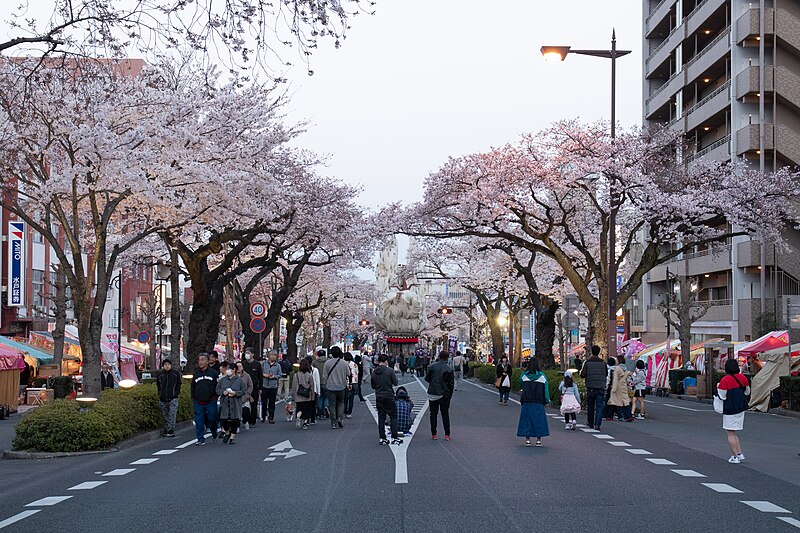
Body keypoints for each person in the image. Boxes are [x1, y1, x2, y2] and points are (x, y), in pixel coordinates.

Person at [717, 358, 750, 464]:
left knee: (730, 432)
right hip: (741, 407)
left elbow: (722, 396)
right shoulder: (743, 378)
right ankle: (739, 453)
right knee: (734, 432)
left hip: (730, 408)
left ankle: (734, 456)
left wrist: (718, 387)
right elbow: (747, 392)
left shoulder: (725, 380)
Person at [517, 357, 550, 447]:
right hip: (538, 401)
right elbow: (546, 390)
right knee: (538, 420)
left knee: (527, 420)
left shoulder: (524, 376)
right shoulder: (542, 376)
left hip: (527, 400)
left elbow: (520, 382)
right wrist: (547, 400)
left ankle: (527, 440)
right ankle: (538, 440)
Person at [371, 354, 402, 445]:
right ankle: (394, 437)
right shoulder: (389, 371)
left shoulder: (374, 372)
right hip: (389, 395)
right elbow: (395, 383)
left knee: (381, 417)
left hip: (379, 396)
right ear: (386, 361)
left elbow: (373, 386)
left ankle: (382, 437)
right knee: (393, 416)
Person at [425, 350, 455, 441]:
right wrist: (450, 394)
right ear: (447, 358)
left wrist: (433, 382)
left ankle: (434, 434)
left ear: (439, 356)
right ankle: (447, 434)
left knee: (433, 414)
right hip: (445, 394)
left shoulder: (432, 367)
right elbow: (451, 384)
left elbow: (427, 378)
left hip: (433, 392)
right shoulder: (449, 369)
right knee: (445, 414)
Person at [191, 353, 219, 445]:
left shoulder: (213, 373)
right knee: (199, 420)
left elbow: (217, 386)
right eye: (199, 360)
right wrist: (193, 397)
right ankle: (200, 438)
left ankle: (214, 431)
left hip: (211, 400)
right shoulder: (196, 374)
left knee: (212, 418)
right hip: (198, 401)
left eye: (203, 360)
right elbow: (193, 387)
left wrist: (216, 396)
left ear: (207, 361)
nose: (200, 362)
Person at [216, 361, 245, 444]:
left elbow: (244, 390)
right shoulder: (223, 380)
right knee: (223, 420)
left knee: (235, 420)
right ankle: (227, 433)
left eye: (229, 369)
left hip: (235, 403)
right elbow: (217, 389)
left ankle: (232, 437)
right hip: (225, 402)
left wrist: (236, 393)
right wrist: (223, 392)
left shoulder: (239, 380)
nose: (228, 370)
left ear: (234, 370)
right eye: (227, 369)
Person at [580, 345, 607, 430]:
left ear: (591, 351)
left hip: (590, 386)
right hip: (601, 386)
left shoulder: (587, 362)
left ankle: (590, 422)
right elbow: (606, 374)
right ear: (599, 352)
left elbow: (583, 374)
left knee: (590, 405)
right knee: (599, 406)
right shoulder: (603, 363)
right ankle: (597, 424)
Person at [323, 346, 350, 429]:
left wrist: (325, 384)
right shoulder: (344, 363)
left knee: (332, 404)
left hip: (330, 386)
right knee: (341, 402)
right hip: (341, 386)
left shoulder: (327, 363)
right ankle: (340, 418)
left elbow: (324, 376)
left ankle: (333, 422)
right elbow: (348, 374)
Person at [156, 359, 181, 437]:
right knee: (165, 415)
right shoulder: (160, 374)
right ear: (163, 366)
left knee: (172, 414)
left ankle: (171, 430)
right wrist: (160, 394)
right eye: (165, 364)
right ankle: (166, 429)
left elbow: (179, 384)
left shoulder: (175, 374)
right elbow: (158, 385)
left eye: (168, 364)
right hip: (162, 398)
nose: (167, 366)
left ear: (171, 365)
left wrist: (176, 393)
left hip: (173, 397)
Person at [607, 357, 634, 422]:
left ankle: (609, 416)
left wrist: (613, 388)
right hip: (623, 385)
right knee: (624, 401)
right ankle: (628, 416)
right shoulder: (625, 368)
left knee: (613, 401)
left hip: (617, 386)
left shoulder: (617, 368)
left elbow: (615, 378)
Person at [292, 358, 316, 429]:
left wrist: (293, 395)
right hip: (307, 395)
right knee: (306, 410)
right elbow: (312, 386)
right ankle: (305, 423)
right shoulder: (309, 375)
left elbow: (294, 386)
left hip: (298, 395)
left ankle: (298, 417)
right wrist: (313, 396)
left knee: (299, 408)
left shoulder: (296, 375)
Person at [261, 351, 282, 424]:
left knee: (272, 403)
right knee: (264, 402)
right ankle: (263, 416)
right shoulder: (263, 364)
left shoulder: (278, 365)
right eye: (271, 355)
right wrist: (264, 375)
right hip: (264, 385)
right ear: (268, 356)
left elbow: (280, 375)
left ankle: (271, 417)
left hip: (273, 386)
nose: (273, 356)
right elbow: (260, 372)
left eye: (275, 355)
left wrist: (274, 376)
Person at [242, 349, 262, 426]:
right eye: (246, 353)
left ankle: (252, 420)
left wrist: (260, 388)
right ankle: (245, 418)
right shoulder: (243, 364)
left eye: (248, 353)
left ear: (252, 354)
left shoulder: (257, 364)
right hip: (245, 387)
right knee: (244, 403)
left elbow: (260, 376)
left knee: (253, 403)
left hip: (255, 386)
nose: (247, 354)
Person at [235, 361, 254, 429]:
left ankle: (245, 421)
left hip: (245, 397)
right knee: (236, 413)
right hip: (235, 397)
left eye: (240, 366)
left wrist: (248, 393)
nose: (239, 368)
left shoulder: (247, 375)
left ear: (243, 367)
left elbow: (250, 385)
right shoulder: (233, 376)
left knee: (246, 412)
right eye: (237, 366)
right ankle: (236, 427)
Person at [312, 349, 329, 419]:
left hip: (317, 382)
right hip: (327, 382)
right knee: (326, 397)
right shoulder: (328, 361)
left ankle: (320, 412)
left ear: (318, 355)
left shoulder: (314, 362)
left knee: (319, 397)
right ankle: (325, 407)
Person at [344, 352, 359, 418]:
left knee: (345, 399)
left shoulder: (343, 364)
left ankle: (345, 411)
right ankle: (349, 413)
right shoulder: (355, 364)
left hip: (344, 382)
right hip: (353, 382)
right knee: (351, 399)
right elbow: (356, 373)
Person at [307, 355, 320, 425]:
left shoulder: (303, 370)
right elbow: (317, 381)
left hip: (305, 390)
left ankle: (306, 419)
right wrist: (318, 391)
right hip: (313, 390)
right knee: (313, 405)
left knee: (306, 405)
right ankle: (312, 419)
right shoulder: (315, 370)